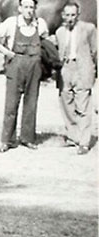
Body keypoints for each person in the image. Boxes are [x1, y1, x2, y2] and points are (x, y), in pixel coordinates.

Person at [0, 0, 49, 153]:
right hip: (15, 66)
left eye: (31, 7)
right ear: (20, 8)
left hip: (34, 67)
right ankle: (7, 140)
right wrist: (6, 52)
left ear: (35, 9)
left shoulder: (40, 24)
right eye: (26, 7)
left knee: (31, 103)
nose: (29, 10)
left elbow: (45, 41)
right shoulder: (11, 23)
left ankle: (28, 138)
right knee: (11, 104)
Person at [49, 0, 97, 155]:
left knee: (83, 107)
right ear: (63, 15)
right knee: (67, 104)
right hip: (65, 71)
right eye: (67, 15)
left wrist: (94, 71)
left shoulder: (89, 29)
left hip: (82, 69)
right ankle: (72, 136)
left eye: (73, 15)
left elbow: (95, 51)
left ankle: (84, 142)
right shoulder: (59, 32)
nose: (70, 18)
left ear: (78, 15)